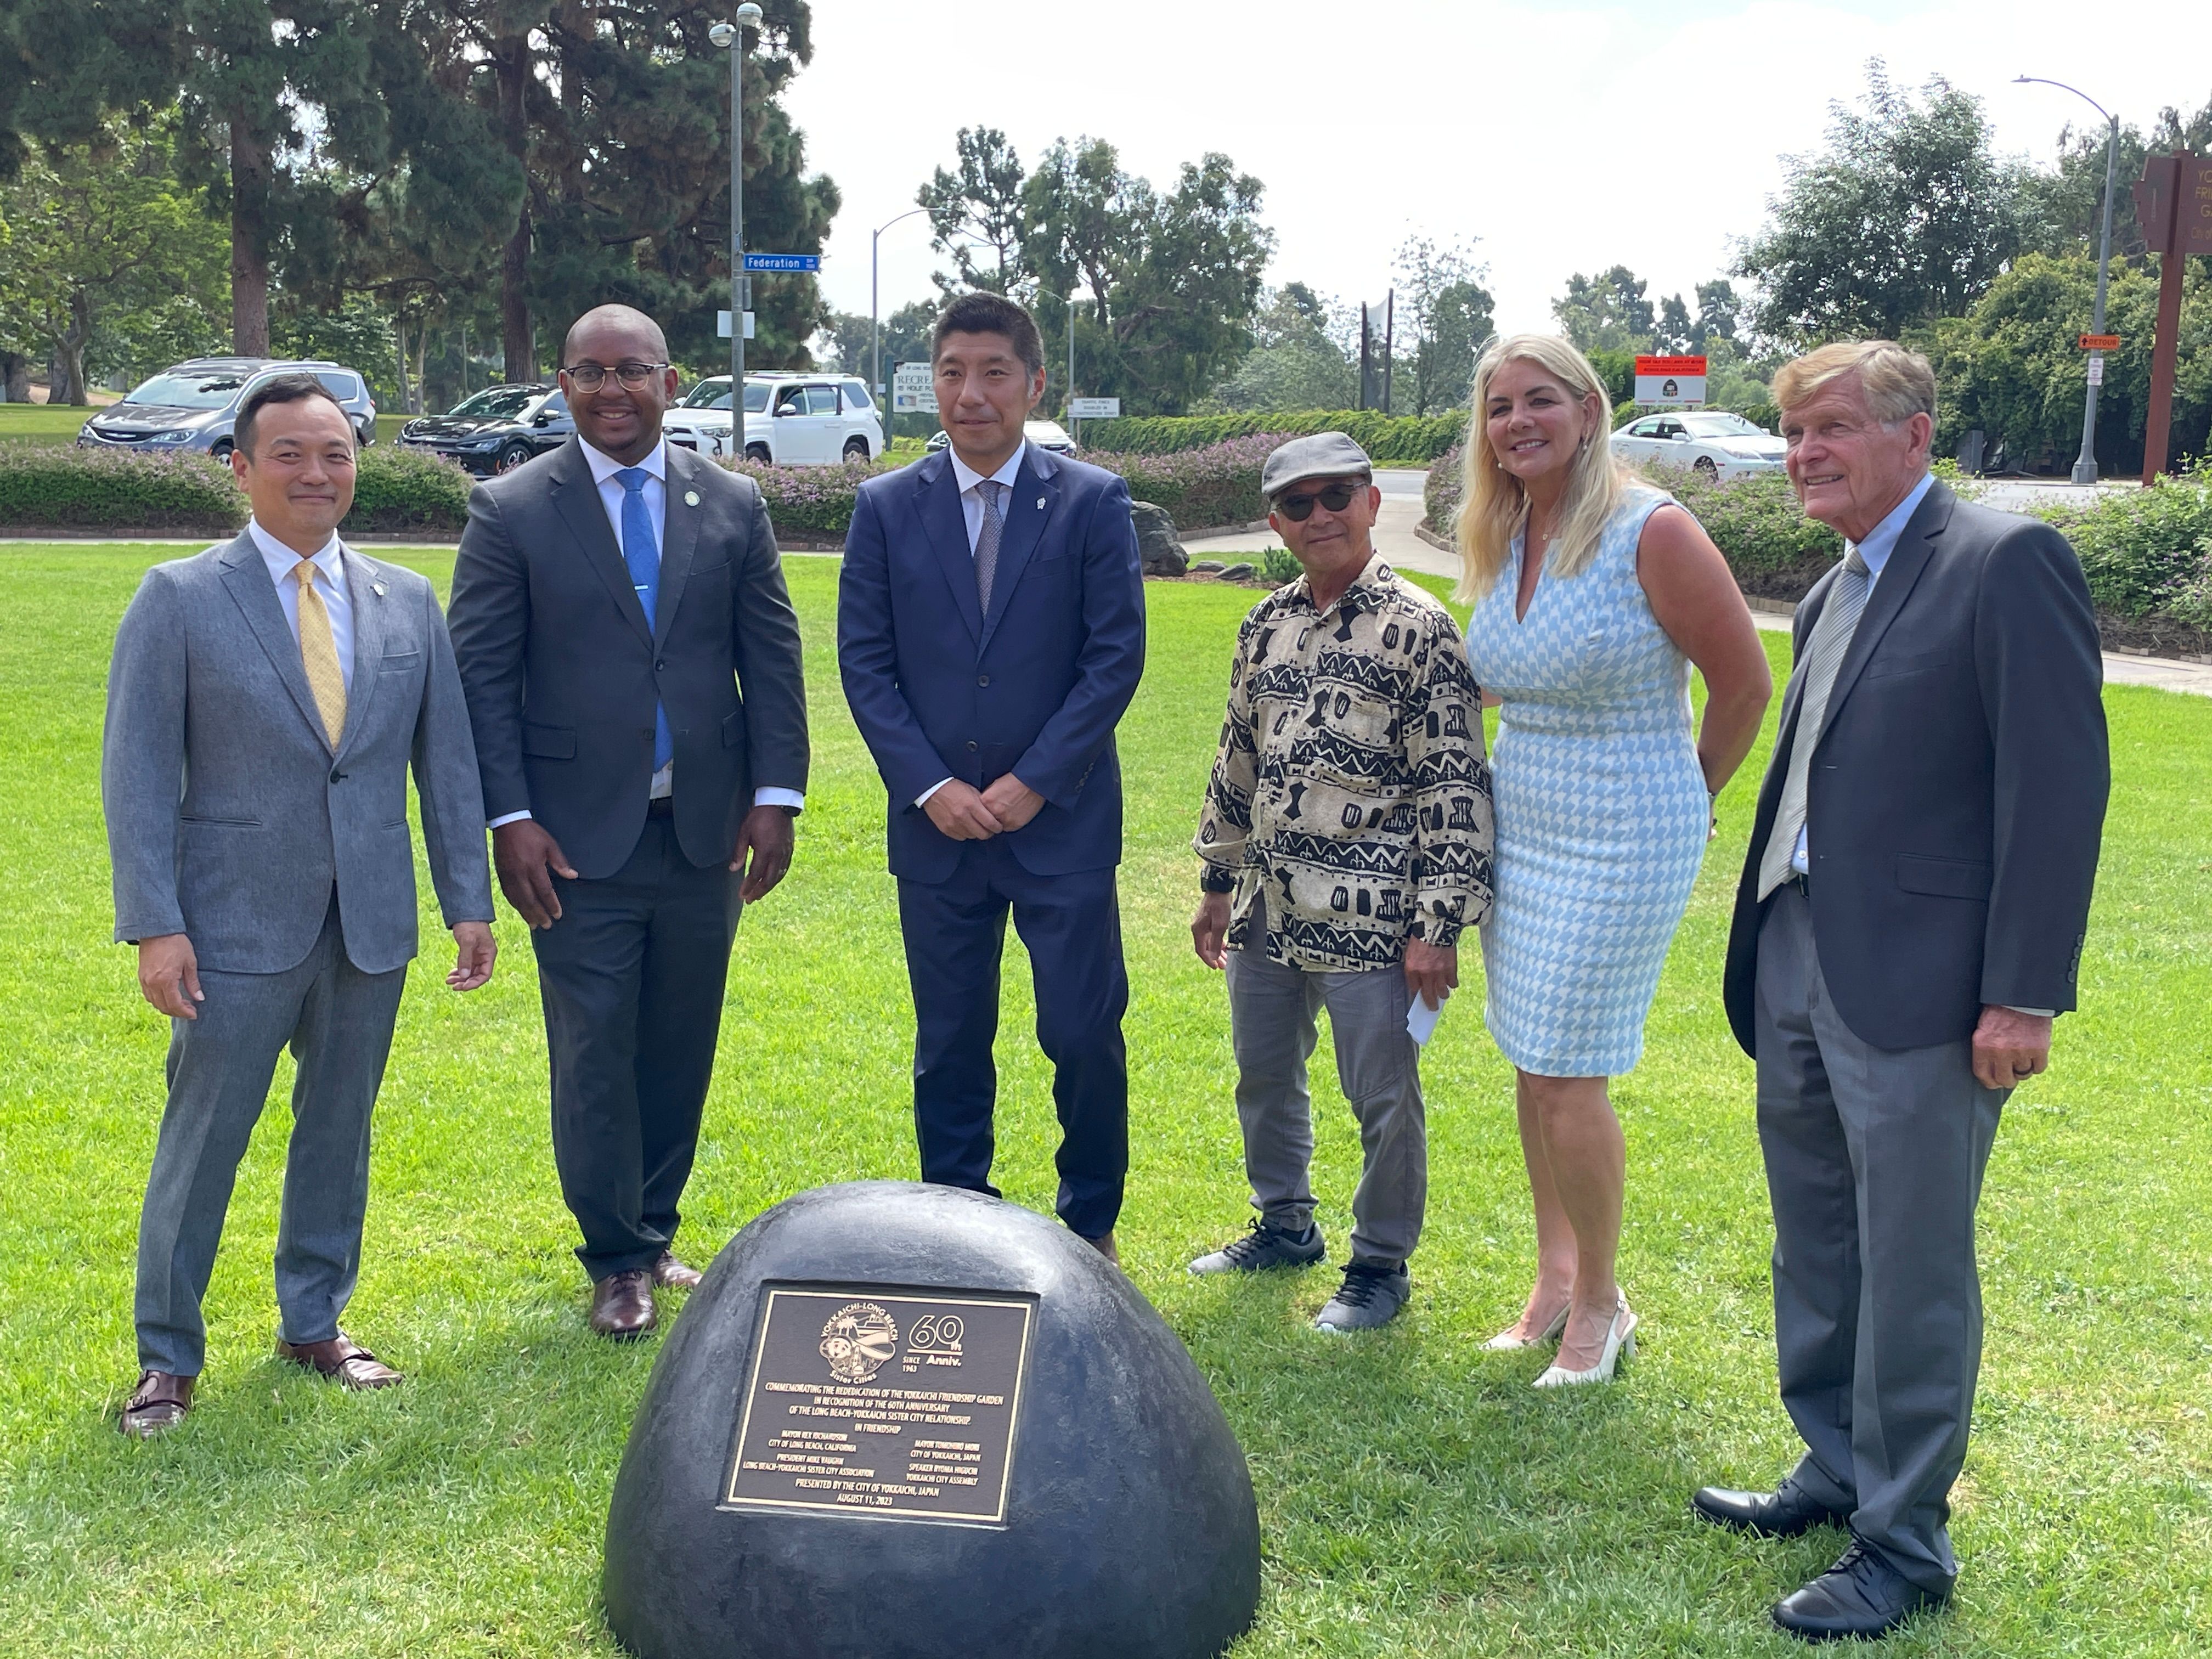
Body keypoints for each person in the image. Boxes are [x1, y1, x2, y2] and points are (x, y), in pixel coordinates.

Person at [1695, 341, 2107, 1641]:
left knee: (1913, 1261)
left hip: (1929, 985)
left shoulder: (2006, 562)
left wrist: (2024, 992)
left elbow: (2057, 790)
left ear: (1916, 435)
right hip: (1803, 956)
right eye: (1795, 434)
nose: (1806, 454)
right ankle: (1836, 1466)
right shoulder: (1829, 597)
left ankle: (1906, 1544)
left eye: (1832, 430)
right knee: (1817, 1236)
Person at [102, 375, 497, 1437]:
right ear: (240, 467)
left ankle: (314, 1322)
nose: (318, 474)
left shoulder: (407, 601)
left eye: (337, 453)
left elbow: (445, 767)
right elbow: (137, 776)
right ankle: (166, 1360)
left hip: (369, 925)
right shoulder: (178, 599)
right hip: (228, 929)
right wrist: (154, 923)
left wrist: (470, 899)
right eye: (291, 454)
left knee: (340, 1131)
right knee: (203, 1140)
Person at [447, 305, 809, 1339]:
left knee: (678, 1040)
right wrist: (509, 816)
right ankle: (613, 1258)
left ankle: (653, 1231)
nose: (611, 390)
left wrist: (775, 794)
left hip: (702, 831)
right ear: (562, 385)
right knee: (596, 1046)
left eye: (631, 371)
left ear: (671, 380)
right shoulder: (512, 508)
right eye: (588, 372)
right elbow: (482, 676)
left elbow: (771, 659)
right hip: (571, 838)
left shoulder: (732, 502)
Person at [1456, 334, 1772, 1386]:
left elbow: (1744, 686)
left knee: (1566, 1071)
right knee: (1530, 1056)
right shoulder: (1509, 530)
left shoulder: (1654, 530)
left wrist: (1691, 794)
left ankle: (1603, 1302)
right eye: (1500, 408)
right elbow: (1506, 680)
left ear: (1589, 410)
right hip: (1526, 824)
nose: (1518, 423)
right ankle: (1555, 1278)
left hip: (1626, 829)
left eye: (1539, 400)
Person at [837, 292, 1144, 1262]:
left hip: (1061, 829)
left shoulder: (1092, 501)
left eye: (994, 374)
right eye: (953, 373)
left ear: (1034, 383)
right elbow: (865, 663)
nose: (972, 395)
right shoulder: (887, 508)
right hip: (938, 833)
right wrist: (931, 786)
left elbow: (1114, 659)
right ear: (934, 382)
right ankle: (958, 1227)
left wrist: (1035, 783)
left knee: (1082, 1032)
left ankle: (1090, 1224)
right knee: (951, 1043)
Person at [1187, 433, 1493, 1332]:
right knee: (1264, 1074)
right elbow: (1237, 755)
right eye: (1296, 503)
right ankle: (1285, 1224)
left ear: (1370, 503)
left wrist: (1437, 924)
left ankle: (1379, 1266)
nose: (1318, 516)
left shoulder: (1421, 628)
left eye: (1335, 497)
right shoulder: (1265, 622)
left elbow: (1454, 781)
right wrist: (1216, 878)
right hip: (1268, 909)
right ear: (1275, 521)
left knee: (1383, 1097)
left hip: (1373, 916)